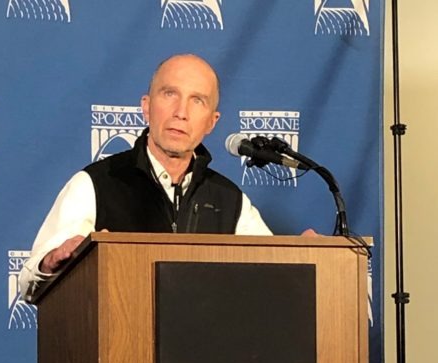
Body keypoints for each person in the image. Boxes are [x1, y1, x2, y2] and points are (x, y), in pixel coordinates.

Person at [20, 54, 272, 302]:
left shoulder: (230, 200)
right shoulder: (95, 184)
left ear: (211, 122)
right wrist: (50, 262)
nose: (181, 112)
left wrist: (304, 260)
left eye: (197, 100)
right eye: (170, 94)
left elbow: (275, 275)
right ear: (146, 106)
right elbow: (30, 283)